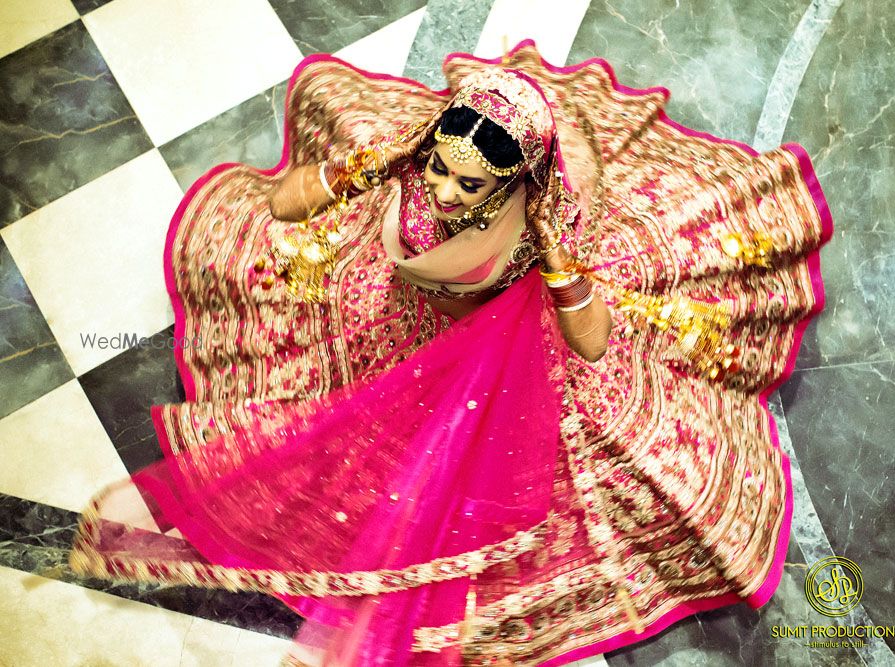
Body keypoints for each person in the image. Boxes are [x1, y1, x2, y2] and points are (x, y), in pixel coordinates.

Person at [68, 42, 832, 666]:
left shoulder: (536, 234)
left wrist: (560, 267)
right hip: (395, 316)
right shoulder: (411, 167)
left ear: (511, 185)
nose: (441, 190)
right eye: (438, 167)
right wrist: (359, 172)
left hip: (494, 358)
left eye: (468, 184)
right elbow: (281, 206)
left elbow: (593, 345)